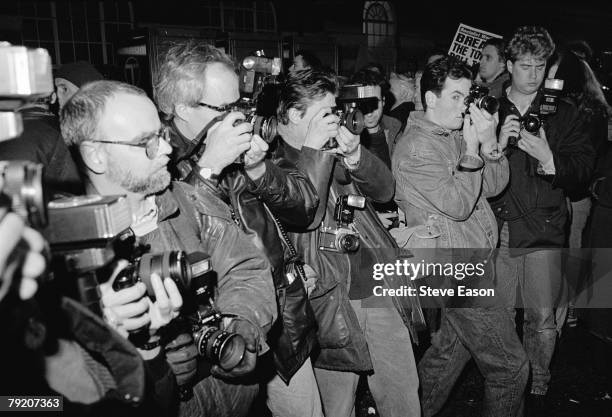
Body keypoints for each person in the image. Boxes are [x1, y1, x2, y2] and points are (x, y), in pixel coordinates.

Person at [60, 80, 277, 417]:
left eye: (161, 135)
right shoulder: (63, 255)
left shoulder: (187, 201)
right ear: (95, 155)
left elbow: (244, 266)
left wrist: (242, 322)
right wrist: (143, 362)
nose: (166, 149)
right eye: (145, 142)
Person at [153, 40, 323, 417]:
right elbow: (184, 245)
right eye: (224, 108)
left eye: (240, 105)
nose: (239, 117)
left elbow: (303, 209)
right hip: (213, 342)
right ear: (182, 108)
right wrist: (209, 170)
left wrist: (258, 168)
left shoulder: (233, 145)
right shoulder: (155, 163)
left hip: (270, 316)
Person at [277, 68, 421, 417]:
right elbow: (303, 213)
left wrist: (356, 155)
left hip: (375, 281)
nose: (335, 120)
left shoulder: (337, 149)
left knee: (402, 390)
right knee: (335, 405)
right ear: (296, 115)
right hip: (328, 298)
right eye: (325, 113)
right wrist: (315, 151)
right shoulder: (268, 161)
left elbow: (385, 191)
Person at [393, 55, 528, 417]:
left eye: (467, 96)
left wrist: (488, 143)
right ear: (430, 99)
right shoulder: (418, 148)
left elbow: (495, 187)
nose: (465, 105)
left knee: (448, 356)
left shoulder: (453, 134)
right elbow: (457, 205)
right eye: (455, 96)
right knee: (510, 367)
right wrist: (471, 150)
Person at [490, 26, 595, 400]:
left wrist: (549, 157)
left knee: (541, 319)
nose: (532, 74)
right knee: (499, 315)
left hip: (546, 226)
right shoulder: (487, 106)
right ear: (508, 65)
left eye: (539, 66)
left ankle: (536, 383)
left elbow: (584, 166)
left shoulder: (562, 112)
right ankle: (505, 379)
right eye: (524, 66)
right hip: (499, 226)